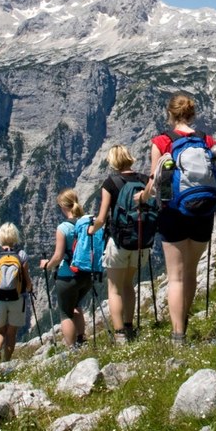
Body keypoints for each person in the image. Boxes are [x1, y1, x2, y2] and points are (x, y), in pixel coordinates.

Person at [149, 93, 216, 345]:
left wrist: (141, 197)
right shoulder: (208, 140)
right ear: (192, 114)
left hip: (173, 213)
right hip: (204, 210)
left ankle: (178, 335)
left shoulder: (162, 141)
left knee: (176, 276)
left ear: (170, 114)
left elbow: (154, 181)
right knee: (190, 272)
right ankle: (185, 320)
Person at [91, 144, 151, 344]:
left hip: (118, 241)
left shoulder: (111, 182)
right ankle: (129, 326)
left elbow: (101, 217)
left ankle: (119, 335)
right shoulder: (143, 180)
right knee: (128, 285)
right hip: (141, 241)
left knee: (114, 288)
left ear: (113, 162)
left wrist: (92, 229)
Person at [38, 189, 92, 350]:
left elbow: (58, 256)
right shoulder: (87, 222)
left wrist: (47, 265)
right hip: (87, 274)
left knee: (66, 313)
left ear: (63, 206)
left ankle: (71, 348)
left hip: (68, 276)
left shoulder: (63, 228)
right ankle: (82, 339)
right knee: (77, 305)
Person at [0, 222, 32, 364]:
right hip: (16, 299)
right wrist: (30, 288)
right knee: (11, 333)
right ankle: (6, 362)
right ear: (15, 236)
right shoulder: (21, 254)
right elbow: (27, 281)